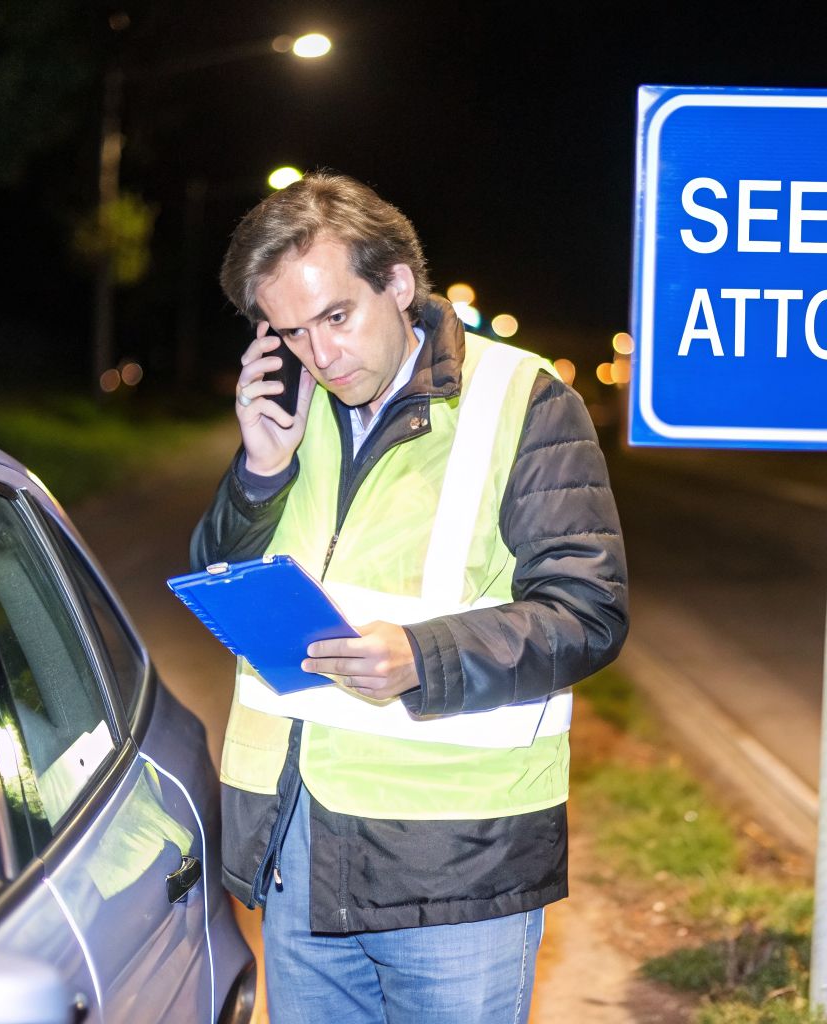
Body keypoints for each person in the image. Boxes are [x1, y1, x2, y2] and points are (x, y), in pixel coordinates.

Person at [190, 171, 629, 1022]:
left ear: (397, 283)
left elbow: (589, 611)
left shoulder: (524, 402)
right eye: (289, 333)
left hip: (456, 867)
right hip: (299, 844)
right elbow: (217, 573)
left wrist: (420, 658)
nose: (320, 355)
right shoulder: (293, 409)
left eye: (336, 317)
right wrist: (258, 473)